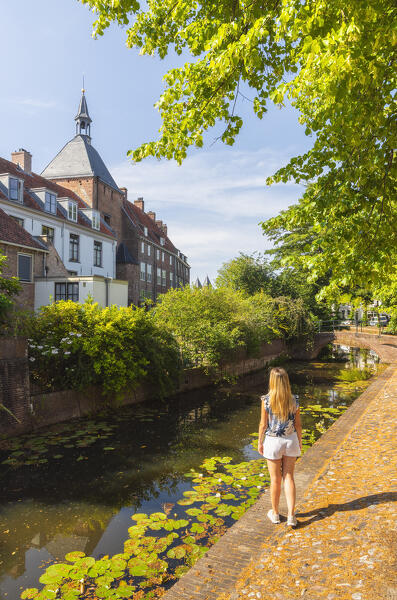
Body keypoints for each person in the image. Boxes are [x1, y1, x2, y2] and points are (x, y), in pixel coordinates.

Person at [257, 367, 302, 527]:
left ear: (272, 381)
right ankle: (291, 516)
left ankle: (275, 514)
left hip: (273, 441)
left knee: (275, 479)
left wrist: (259, 441)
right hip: (290, 440)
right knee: (289, 477)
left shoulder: (266, 400)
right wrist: (300, 441)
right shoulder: (295, 399)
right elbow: (297, 425)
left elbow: (263, 424)